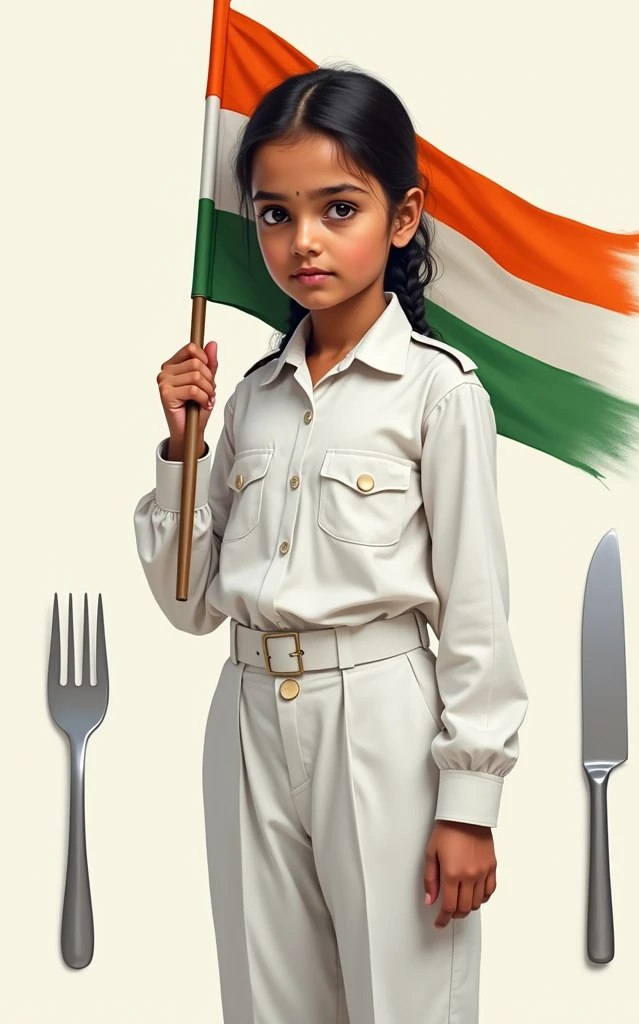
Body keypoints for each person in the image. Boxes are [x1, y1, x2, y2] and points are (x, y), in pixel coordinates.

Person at [133, 66, 529, 1024]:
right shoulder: (254, 397)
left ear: (402, 219)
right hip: (247, 716)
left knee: (406, 1001)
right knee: (268, 1006)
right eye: (274, 213)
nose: (302, 240)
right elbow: (190, 602)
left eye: (337, 207)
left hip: (382, 719)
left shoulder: (439, 391)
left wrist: (469, 802)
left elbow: (476, 609)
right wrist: (184, 449)